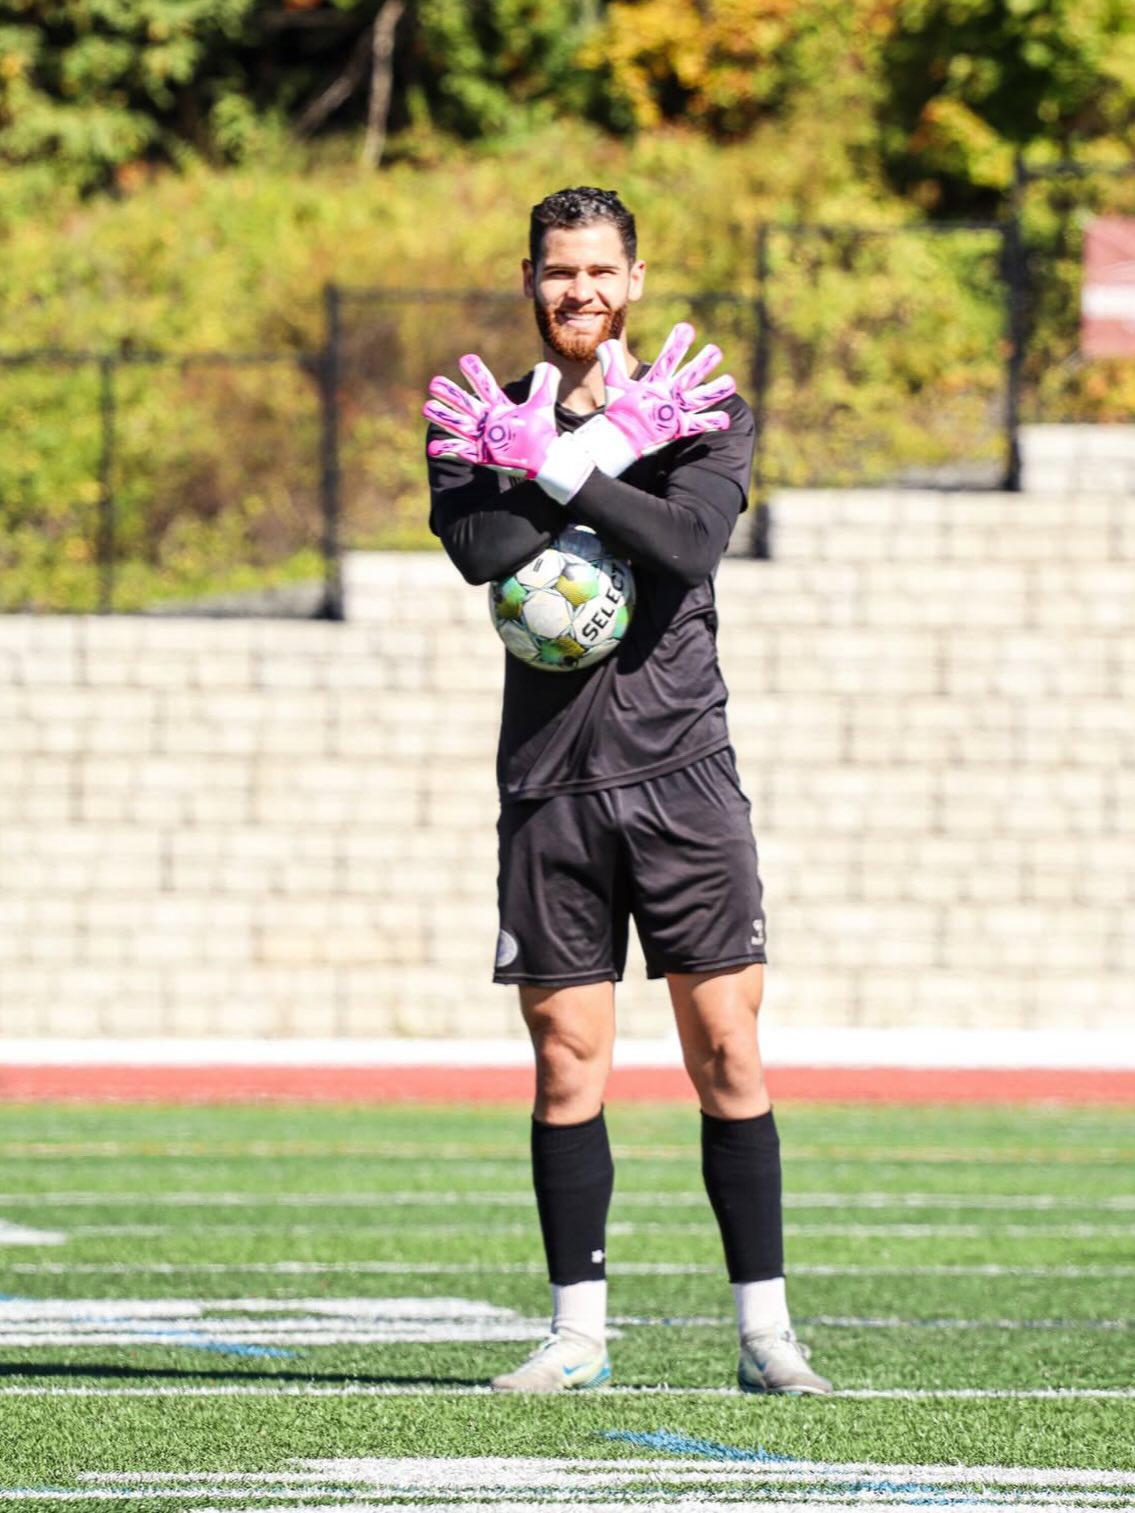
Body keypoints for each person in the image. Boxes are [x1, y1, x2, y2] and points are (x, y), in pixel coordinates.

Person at [424, 186, 831, 1398]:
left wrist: (568, 462)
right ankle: (576, 1335)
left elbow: (685, 545)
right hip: (550, 779)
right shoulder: (479, 417)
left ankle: (765, 1334)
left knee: (726, 1047)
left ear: (635, 278)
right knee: (565, 1058)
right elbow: (488, 555)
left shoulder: (701, 407)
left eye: (601, 271)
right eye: (559, 272)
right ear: (531, 280)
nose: (580, 292)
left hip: (681, 769)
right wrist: (566, 450)